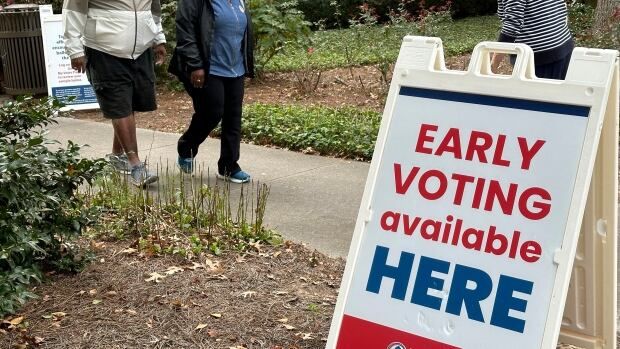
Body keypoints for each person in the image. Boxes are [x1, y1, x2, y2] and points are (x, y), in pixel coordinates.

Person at [62, 0, 167, 186]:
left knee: (129, 103)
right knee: (118, 105)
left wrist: (158, 38)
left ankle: (118, 156)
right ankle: (136, 165)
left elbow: (154, 9)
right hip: (104, 50)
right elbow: (73, 10)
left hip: (140, 51)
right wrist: (74, 49)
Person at [168, 0, 255, 184]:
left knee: (233, 118)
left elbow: (243, 32)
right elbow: (186, 31)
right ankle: (187, 148)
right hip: (208, 67)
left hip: (235, 68)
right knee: (212, 112)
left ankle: (229, 166)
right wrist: (195, 64)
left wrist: (245, 62)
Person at [492, 0, 574, 80]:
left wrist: (492, 66)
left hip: (540, 57)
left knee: (539, 93)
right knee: (556, 92)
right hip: (563, 44)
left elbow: (512, 25)